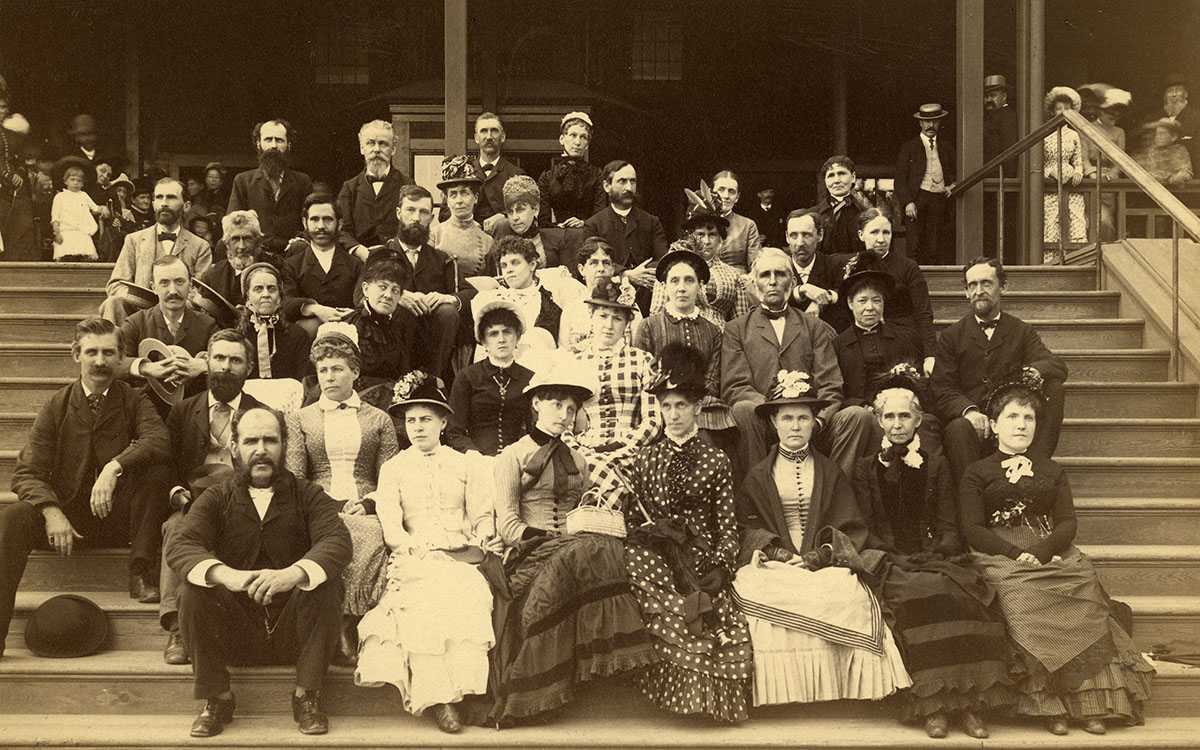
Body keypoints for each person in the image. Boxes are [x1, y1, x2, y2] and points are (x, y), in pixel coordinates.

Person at [960, 377, 1153, 736]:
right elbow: (973, 529)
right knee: (1022, 600)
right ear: (995, 424)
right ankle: (1049, 708)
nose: (1021, 425)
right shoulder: (978, 472)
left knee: (1085, 590)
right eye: (1013, 416)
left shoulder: (1051, 469)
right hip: (998, 553)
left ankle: (1089, 704)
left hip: (1049, 549)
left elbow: (1067, 522)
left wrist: (1042, 551)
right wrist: (1017, 553)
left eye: (1029, 418)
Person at [487, 355, 656, 724]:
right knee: (587, 549)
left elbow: (585, 511)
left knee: (604, 545)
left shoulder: (579, 460)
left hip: (575, 552)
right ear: (535, 403)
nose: (563, 414)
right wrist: (546, 538)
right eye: (555, 404)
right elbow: (508, 526)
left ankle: (609, 662)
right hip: (528, 553)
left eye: (570, 407)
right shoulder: (512, 456)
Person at [852, 371, 1016, 739]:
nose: (897, 425)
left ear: (918, 420)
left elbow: (948, 522)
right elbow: (866, 528)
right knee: (917, 599)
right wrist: (894, 557)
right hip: (892, 562)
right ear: (878, 421)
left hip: (935, 555)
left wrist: (938, 552)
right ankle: (933, 707)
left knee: (964, 595)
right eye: (889, 417)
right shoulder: (865, 469)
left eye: (905, 416)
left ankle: (970, 705)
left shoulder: (936, 462)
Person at [169, 407, 351, 737]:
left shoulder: (308, 494)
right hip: (235, 635)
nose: (261, 449)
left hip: (293, 634)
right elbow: (181, 545)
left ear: (284, 446)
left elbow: (337, 540)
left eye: (271, 440)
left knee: (325, 582)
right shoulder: (216, 496)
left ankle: (307, 696)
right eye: (251, 440)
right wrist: (226, 575)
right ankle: (218, 698)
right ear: (235, 448)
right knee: (191, 590)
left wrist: (294, 573)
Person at [732, 369, 910, 708]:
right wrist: (779, 554)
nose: (796, 426)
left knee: (844, 589)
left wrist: (817, 557)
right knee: (753, 585)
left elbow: (850, 525)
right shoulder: (757, 476)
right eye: (788, 418)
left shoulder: (830, 471)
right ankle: (786, 691)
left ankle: (836, 688)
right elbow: (745, 525)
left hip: (821, 563)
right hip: (777, 565)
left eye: (804, 417)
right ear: (774, 423)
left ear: (815, 422)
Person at [0, 318, 170, 656]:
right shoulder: (57, 405)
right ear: (75, 354)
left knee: (158, 472)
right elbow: (25, 473)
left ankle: (139, 572)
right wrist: (51, 511)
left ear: (122, 358)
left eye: (109, 353)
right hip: (66, 522)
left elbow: (158, 439)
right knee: (11, 518)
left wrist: (115, 466)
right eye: (91, 352)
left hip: (121, 521)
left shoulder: (133, 399)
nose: (100, 361)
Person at [355, 375, 499, 733]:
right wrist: (410, 547)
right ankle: (440, 700)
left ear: (443, 422)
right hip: (415, 552)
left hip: (461, 550)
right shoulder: (394, 468)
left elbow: (482, 514)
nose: (417, 427)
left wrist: (482, 538)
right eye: (411, 420)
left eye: (426, 419)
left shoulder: (466, 464)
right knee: (423, 597)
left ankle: (458, 692)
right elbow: (391, 524)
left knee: (466, 591)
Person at [622, 344, 753, 722]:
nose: (674, 414)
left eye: (681, 405)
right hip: (654, 557)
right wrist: (652, 534)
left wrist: (722, 566)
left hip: (702, 556)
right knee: (655, 588)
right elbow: (633, 521)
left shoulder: (716, 460)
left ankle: (707, 701)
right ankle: (678, 697)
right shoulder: (645, 458)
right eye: (666, 406)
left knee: (718, 615)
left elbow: (727, 526)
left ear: (697, 408)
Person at [285, 323, 400, 649]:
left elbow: (391, 477)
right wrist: (323, 504)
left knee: (370, 531)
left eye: (337, 369)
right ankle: (335, 622)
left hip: (367, 503)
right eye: (323, 370)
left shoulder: (380, 419)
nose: (329, 377)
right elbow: (295, 476)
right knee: (334, 530)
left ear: (355, 373)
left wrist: (369, 503)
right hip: (318, 502)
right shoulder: (301, 419)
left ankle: (354, 620)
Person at [159, 330, 265, 665]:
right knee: (176, 528)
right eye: (219, 358)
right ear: (206, 363)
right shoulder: (182, 411)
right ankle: (177, 626)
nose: (226, 367)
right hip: (192, 505)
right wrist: (178, 495)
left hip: (242, 503)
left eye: (235, 360)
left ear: (248, 368)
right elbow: (168, 466)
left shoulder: (262, 414)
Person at [722, 248, 872, 476]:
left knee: (857, 416)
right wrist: (775, 413)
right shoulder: (736, 329)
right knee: (742, 408)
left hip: (810, 423)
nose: (772, 281)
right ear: (754, 283)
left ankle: (834, 489)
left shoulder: (814, 327)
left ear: (792, 282)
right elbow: (736, 386)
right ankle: (759, 490)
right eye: (765, 275)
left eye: (780, 274)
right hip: (764, 421)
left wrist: (817, 421)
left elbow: (830, 384)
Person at [932, 257, 1068, 483]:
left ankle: (1035, 468)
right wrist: (969, 411)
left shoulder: (1021, 331)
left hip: (1011, 420)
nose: (979, 291)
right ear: (966, 292)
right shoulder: (951, 337)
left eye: (986, 283)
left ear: (1003, 286)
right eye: (972, 285)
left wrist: (1034, 371)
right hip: (971, 428)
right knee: (958, 428)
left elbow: (1056, 365)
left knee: (1054, 388)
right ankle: (971, 497)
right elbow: (942, 388)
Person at [568, 282, 661, 507]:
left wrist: (625, 447)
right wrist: (576, 449)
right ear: (591, 316)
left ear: (627, 324)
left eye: (617, 318)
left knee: (614, 473)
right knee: (589, 469)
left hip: (630, 449)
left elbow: (654, 420)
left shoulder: (642, 360)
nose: (608, 325)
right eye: (602, 316)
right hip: (585, 449)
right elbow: (564, 422)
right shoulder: (574, 362)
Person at [635, 251, 735, 440]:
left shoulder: (712, 331)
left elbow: (713, 380)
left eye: (689, 281)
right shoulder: (649, 326)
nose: (681, 288)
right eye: (674, 281)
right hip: (662, 409)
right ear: (664, 287)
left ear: (700, 286)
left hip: (703, 409)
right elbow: (644, 376)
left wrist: (690, 403)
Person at [367, 185, 463, 379]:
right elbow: (359, 294)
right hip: (393, 336)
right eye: (410, 210)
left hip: (433, 336)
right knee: (401, 310)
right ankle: (401, 384)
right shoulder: (381, 254)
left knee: (448, 311)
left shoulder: (442, 258)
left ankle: (434, 382)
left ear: (431, 218)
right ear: (398, 213)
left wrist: (448, 298)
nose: (416, 218)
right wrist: (399, 296)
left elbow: (467, 292)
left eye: (424, 212)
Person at [102, 178, 213, 325]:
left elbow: (200, 293)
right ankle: (114, 346)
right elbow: (116, 284)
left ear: (186, 206)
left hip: (178, 313)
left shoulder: (200, 246)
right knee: (113, 302)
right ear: (154, 205)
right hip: (138, 314)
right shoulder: (134, 240)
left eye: (171, 197)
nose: (164, 203)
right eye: (159, 197)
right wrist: (138, 299)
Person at [117, 256, 219, 408]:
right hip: (146, 409)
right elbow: (114, 363)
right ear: (153, 287)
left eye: (180, 282)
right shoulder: (136, 323)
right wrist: (146, 367)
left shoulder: (208, 324)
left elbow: (228, 360)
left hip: (194, 410)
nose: (173, 291)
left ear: (190, 286)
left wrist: (203, 365)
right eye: (164, 283)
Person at [650, 183, 753, 324]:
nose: (706, 241)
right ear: (690, 236)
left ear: (721, 239)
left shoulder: (732, 275)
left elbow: (741, 323)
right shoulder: (671, 270)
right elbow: (657, 315)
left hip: (723, 341)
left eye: (712, 235)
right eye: (700, 234)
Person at [446, 298, 535, 455]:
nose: (501, 339)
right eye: (493, 334)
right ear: (484, 342)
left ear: (517, 338)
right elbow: (454, 432)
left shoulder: (529, 379)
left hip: (519, 458)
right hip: (475, 460)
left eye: (507, 332)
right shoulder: (467, 377)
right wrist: (476, 457)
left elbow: (534, 430)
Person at [853, 208, 937, 367]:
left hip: (902, 339)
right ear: (860, 234)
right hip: (863, 338)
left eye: (886, 232)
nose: (881, 239)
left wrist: (930, 355)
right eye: (874, 232)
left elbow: (923, 313)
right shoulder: (853, 266)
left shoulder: (907, 267)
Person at [583, 159, 669, 308]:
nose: (629, 187)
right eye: (622, 181)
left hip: (648, 296)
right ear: (607, 186)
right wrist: (626, 275)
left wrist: (643, 275)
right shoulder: (594, 224)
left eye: (632, 181)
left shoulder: (651, 221)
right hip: (609, 297)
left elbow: (663, 258)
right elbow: (591, 262)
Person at [281, 193, 363, 338]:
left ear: (340, 223)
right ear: (305, 223)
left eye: (327, 219)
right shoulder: (291, 265)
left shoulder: (355, 265)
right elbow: (285, 302)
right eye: (314, 219)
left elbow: (362, 301)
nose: (321, 226)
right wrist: (314, 308)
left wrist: (353, 313)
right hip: (307, 339)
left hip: (347, 334)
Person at [228, 119, 314, 254]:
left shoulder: (303, 181)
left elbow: (312, 219)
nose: (273, 145)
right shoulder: (243, 181)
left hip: (293, 252)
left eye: (279, 140)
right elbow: (234, 223)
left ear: (288, 145)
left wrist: (300, 239)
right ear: (258, 144)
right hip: (255, 253)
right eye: (268, 139)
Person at [336, 120, 411, 251]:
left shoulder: (407, 185)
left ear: (393, 149)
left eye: (383, 144)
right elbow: (342, 229)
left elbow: (412, 224)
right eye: (370, 143)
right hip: (360, 260)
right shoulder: (349, 188)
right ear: (361, 148)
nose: (376, 149)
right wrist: (359, 250)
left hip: (397, 256)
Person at [896, 103, 957, 265]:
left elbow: (957, 170)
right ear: (920, 123)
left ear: (940, 122)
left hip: (938, 199)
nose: (931, 125)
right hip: (917, 199)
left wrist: (953, 185)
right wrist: (908, 202)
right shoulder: (909, 147)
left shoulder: (946, 147)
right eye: (927, 121)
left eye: (935, 121)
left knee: (935, 246)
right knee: (914, 245)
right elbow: (900, 179)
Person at [556, 235, 640, 352]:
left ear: (612, 269)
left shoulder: (627, 303)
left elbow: (637, 348)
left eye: (606, 263)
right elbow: (564, 352)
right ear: (581, 270)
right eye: (593, 263)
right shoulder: (572, 308)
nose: (601, 269)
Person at [341, 258, 414, 387]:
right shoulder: (350, 327)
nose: (388, 295)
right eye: (382, 287)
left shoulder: (398, 328)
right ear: (365, 289)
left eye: (395, 290)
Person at [234, 261, 312, 380]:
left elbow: (304, 381)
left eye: (271, 289)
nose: (266, 294)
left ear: (279, 297)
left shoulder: (297, 336)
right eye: (258, 289)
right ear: (247, 297)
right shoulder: (236, 338)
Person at [1042, 87, 1089, 262]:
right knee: (1052, 224)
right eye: (1059, 108)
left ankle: (1077, 262)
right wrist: (1051, 171)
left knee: (1076, 221)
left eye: (1066, 109)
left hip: (1070, 183)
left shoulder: (1074, 135)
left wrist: (1078, 172)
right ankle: (1050, 264)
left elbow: (1077, 162)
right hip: (1051, 184)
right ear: (1053, 111)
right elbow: (1038, 164)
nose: (1063, 112)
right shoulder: (1045, 133)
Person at [429, 155, 493, 281]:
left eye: (464, 193)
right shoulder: (434, 235)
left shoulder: (487, 241)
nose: (459, 201)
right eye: (453, 194)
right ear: (447, 200)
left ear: (475, 198)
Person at [536, 111, 605, 228]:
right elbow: (543, 219)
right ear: (562, 139)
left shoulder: (597, 175)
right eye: (573, 135)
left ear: (587, 144)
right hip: (557, 235)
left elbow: (600, 214)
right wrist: (558, 226)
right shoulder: (548, 177)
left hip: (588, 234)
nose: (577, 142)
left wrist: (584, 223)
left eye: (583, 137)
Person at [1080, 84, 1130, 242]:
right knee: (1091, 221)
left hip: (1109, 182)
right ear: (1101, 112)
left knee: (1107, 222)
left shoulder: (1119, 132)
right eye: (1110, 117)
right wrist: (1092, 173)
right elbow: (1083, 157)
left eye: (1116, 118)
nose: (1113, 121)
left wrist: (1113, 174)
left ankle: (1105, 254)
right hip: (1091, 180)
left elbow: (1120, 159)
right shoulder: (1087, 129)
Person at [782, 208, 847, 330]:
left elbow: (845, 296)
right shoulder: (779, 268)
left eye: (806, 235)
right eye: (794, 235)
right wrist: (801, 290)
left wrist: (821, 301)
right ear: (787, 237)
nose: (800, 242)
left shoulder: (833, 266)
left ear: (820, 235)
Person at [490, 174, 569, 270]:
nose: (515, 217)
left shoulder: (556, 240)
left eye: (520, 210)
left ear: (535, 209)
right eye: (510, 212)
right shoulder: (501, 245)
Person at [471, 112, 525, 232]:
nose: (489, 136)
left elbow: (524, 210)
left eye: (494, 131)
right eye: (484, 131)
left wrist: (504, 215)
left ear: (503, 137)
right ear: (476, 138)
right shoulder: (464, 172)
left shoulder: (516, 174)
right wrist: (467, 222)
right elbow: (444, 213)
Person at [199, 210, 263, 307]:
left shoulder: (275, 270)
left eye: (247, 238)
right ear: (227, 244)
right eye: (235, 239)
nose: (241, 246)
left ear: (257, 241)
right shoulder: (212, 276)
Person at [813, 155, 870, 257]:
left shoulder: (865, 214)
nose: (836, 180)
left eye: (841, 174)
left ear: (853, 177)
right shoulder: (813, 215)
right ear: (825, 182)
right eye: (831, 175)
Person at [711, 170, 762, 273]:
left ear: (737, 197)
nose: (726, 196)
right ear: (711, 193)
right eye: (721, 190)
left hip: (740, 284)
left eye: (731, 191)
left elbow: (755, 266)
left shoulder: (748, 226)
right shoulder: (698, 224)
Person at [50, 163, 103, 261]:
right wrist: (57, 233)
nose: (75, 183)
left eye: (79, 181)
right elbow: (55, 217)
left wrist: (103, 208)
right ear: (65, 181)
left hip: (82, 232)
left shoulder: (83, 195)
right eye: (72, 179)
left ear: (83, 184)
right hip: (66, 232)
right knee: (65, 256)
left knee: (86, 256)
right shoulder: (60, 197)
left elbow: (95, 208)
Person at [1135, 117, 1193, 189]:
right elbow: (1150, 173)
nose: (1157, 137)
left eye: (1161, 134)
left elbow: (1186, 172)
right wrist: (1170, 177)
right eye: (1156, 133)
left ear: (1174, 137)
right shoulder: (1152, 151)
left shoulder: (1180, 150)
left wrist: (1181, 176)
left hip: (1175, 192)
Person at [1159, 73, 1200, 165]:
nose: (1174, 95)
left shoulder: (1197, 119)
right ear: (1165, 96)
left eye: (1178, 90)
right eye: (1170, 91)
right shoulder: (1155, 118)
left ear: (1186, 94)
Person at [983, 75, 1019, 168]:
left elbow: (1009, 151)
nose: (989, 100)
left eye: (993, 95)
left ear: (1003, 97)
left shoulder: (1007, 116)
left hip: (998, 177)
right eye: (986, 96)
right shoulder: (989, 116)